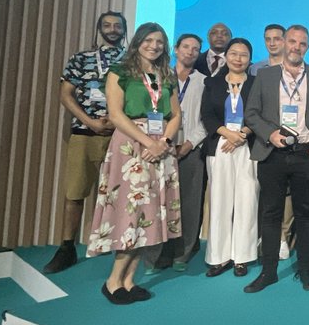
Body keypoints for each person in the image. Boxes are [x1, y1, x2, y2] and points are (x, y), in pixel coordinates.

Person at [86, 23, 182, 304]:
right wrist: (147, 141)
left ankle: (129, 280)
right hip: (131, 147)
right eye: (149, 40)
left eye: (160, 42)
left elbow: (175, 114)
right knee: (131, 213)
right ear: (138, 41)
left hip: (160, 148)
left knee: (148, 214)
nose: (154, 46)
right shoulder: (121, 72)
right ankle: (113, 280)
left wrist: (162, 142)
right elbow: (115, 115)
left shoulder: (166, 74)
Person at [243, 25, 309, 292]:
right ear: (284, 43)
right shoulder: (265, 75)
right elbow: (251, 113)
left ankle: (305, 270)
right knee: (270, 214)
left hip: (307, 154)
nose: (296, 47)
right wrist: (270, 134)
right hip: (273, 154)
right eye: (292, 41)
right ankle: (268, 271)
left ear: (308, 47)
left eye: (302, 43)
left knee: (307, 214)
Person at [44, 10, 126, 274]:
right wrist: (89, 121)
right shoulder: (82, 58)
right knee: (75, 191)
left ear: (124, 30)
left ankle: (121, 245)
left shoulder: (132, 61)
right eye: (107, 25)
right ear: (99, 29)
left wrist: (117, 121)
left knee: (123, 193)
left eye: (117, 25)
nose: (112, 29)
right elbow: (65, 94)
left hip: (121, 134)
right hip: (84, 131)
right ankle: (67, 247)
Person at [144, 33, 208, 273]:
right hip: (160, 148)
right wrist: (162, 142)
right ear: (176, 49)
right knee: (157, 204)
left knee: (190, 204)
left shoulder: (204, 81)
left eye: (196, 49)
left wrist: (190, 144)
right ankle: (154, 256)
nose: (190, 52)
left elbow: (206, 119)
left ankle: (183, 253)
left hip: (191, 149)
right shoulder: (156, 77)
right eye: (186, 47)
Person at [200, 38, 258, 278]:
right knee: (220, 201)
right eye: (233, 54)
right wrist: (228, 134)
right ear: (226, 57)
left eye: (243, 55)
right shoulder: (212, 83)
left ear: (249, 59)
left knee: (247, 201)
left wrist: (242, 134)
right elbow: (206, 115)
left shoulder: (257, 83)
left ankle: (242, 257)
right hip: (220, 146)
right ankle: (218, 257)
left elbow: (262, 114)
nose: (238, 58)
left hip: (247, 146)